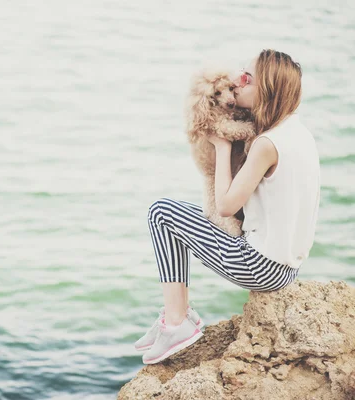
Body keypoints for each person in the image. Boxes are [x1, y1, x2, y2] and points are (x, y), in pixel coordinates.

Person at [136, 49, 321, 365]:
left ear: (266, 90)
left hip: (261, 267)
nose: (237, 84)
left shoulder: (267, 144)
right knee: (177, 217)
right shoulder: (297, 133)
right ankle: (175, 317)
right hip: (288, 267)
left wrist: (222, 147)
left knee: (161, 212)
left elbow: (223, 206)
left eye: (246, 78)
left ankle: (178, 322)